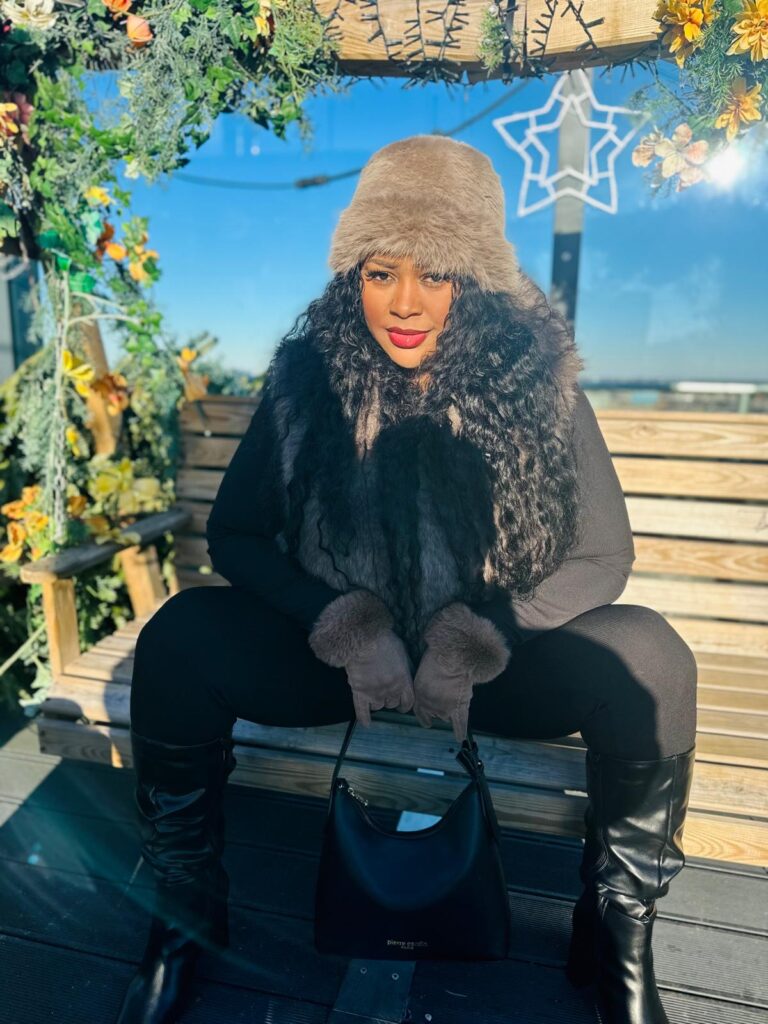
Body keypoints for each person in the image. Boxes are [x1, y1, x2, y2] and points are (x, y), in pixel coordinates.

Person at [115, 134, 697, 1024]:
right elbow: (235, 535)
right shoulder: (306, 379)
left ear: (479, 282)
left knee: (651, 656)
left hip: (488, 673)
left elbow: (603, 558)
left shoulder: (543, 384)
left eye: (437, 274)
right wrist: (348, 628)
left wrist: (476, 641)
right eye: (381, 273)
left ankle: (618, 937)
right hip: (341, 669)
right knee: (179, 637)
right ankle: (184, 916)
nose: (405, 303)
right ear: (353, 275)